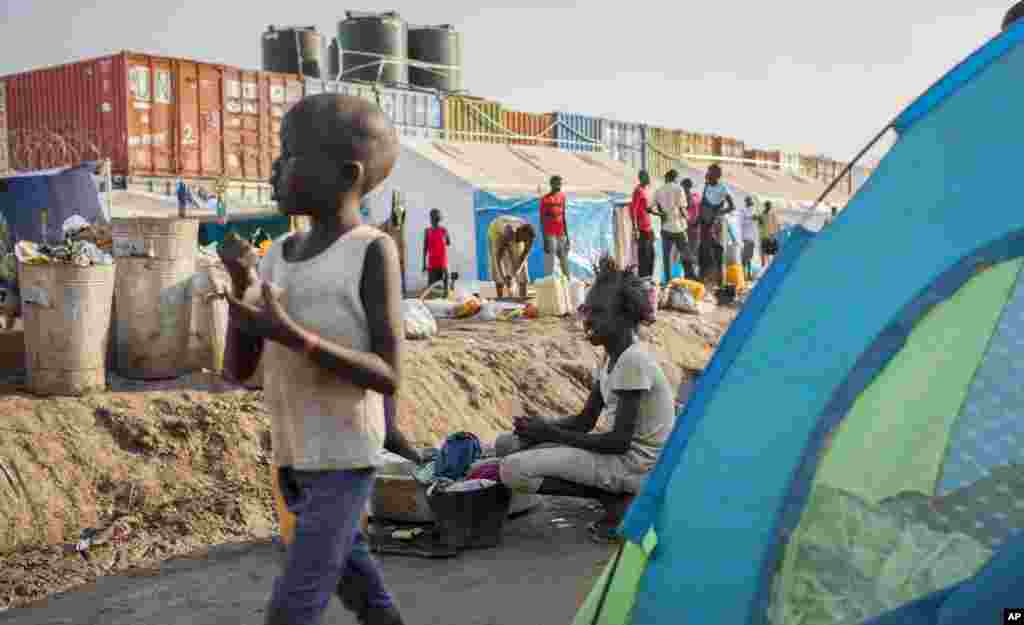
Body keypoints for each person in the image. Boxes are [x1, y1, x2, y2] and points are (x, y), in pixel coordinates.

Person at [219, 93, 420, 625]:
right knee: (362, 589)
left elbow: (388, 374)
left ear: (347, 173)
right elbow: (237, 370)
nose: (275, 169)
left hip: (344, 457)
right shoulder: (278, 254)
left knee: (293, 605)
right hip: (292, 456)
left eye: (290, 155)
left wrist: (295, 337)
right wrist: (242, 287)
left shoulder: (371, 250)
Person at [494, 256, 675, 543]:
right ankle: (614, 494)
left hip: (635, 466)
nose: (588, 320)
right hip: (621, 456)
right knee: (507, 445)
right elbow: (584, 421)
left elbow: (619, 442)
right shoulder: (613, 356)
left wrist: (549, 433)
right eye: (586, 310)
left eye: (598, 312)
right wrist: (539, 429)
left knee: (512, 470)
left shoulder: (632, 362)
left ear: (624, 317)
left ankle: (616, 498)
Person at [654, 169, 696, 283]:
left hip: (665, 229)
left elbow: (650, 208)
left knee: (666, 257)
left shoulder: (659, 190)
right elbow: (682, 209)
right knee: (685, 254)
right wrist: (689, 218)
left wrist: (661, 214)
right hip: (678, 228)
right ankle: (690, 278)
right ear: (675, 177)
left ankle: (667, 282)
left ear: (666, 178)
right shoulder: (679, 189)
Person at [697, 164, 735, 287]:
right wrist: (697, 220)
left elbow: (732, 206)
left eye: (710, 172)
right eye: (708, 171)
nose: (708, 174)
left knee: (717, 252)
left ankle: (720, 283)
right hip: (705, 224)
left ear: (718, 175)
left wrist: (718, 213)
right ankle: (704, 281)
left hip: (716, 224)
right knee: (703, 251)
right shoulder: (706, 186)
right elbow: (702, 204)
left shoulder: (723, 188)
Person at [488, 215, 535, 298]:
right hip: (496, 230)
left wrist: (515, 272)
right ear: (519, 232)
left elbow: (524, 256)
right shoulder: (508, 233)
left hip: (513, 228)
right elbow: (498, 258)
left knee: (522, 271)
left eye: (525, 240)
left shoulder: (529, 237)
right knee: (498, 273)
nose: (522, 241)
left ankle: (523, 299)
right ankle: (500, 298)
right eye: (522, 239)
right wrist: (504, 277)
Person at [540, 175, 572, 278]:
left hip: (561, 233)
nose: (559, 185)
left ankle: (568, 280)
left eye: (560, 183)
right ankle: (548, 281)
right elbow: (542, 219)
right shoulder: (545, 199)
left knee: (563, 257)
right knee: (550, 258)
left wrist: (567, 236)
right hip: (550, 233)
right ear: (552, 184)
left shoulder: (562, 197)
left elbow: (564, 216)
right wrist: (544, 238)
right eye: (557, 183)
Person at [630, 170, 656, 279]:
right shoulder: (638, 191)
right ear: (641, 178)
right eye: (646, 177)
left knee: (651, 255)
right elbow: (633, 210)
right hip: (641, 228)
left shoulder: (646, 190)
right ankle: (643, 279)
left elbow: (647, 209)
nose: (648, 179)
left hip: (649, 227)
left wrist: (658, 213)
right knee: (644, 256)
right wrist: (635, 228)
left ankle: (649, 278)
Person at [422, 208, 451, 298]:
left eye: (436, 217)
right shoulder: (427, 231)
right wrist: (423, 264)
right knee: (431, 287)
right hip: (433, 263)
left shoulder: (444, 230)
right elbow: (425, 248)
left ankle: (445, 299)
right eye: (433, 217)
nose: (434, 219)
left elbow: (448, 242)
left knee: (445, 284)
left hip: (442, 262)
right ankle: (434, 301)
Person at [682, 178, 701, 276]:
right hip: (696, 228)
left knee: (689, 253)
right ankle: (694, 274)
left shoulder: (687, 198)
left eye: (682, 187)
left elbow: (684, 213)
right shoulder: (696, 196)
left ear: (685, 187)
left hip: (690, 228)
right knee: (693, 252)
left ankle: (691, 275)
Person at [755, 200, 780, 268]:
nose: (769, 207)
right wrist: (759, 221)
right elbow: (759, 225)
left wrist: (775, 234)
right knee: (764, 252)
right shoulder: (761, 215)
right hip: (764, 236)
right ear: (765, 206)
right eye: (768, 205)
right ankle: (763, 266)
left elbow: (777, 225)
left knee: (773, 252)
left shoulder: (773, 214)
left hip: (771, 236)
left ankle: (773, 266)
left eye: (770, 205)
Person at [739, 196, 758, 281]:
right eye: (749, 202)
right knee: (744, 258)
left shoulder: (753, 210)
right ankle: (743, 275)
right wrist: (751, 219)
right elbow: (742, 223)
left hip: (752, 238)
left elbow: (755, 223)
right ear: (746, 202)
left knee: (750, 258)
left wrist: (756, 219)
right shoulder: (743, 211)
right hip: (746, 237)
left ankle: (749, 275)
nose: (750, 203)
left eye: (751, 202)